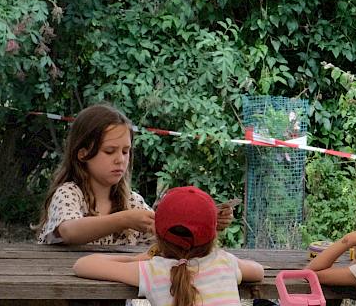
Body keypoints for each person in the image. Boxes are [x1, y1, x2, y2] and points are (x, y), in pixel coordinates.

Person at [34, 103, 233, 245]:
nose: (120, 159)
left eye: (125, 151)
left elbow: (167, 238)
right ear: (83, 154)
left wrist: (209, 223)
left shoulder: (132, 201)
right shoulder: (68, 193)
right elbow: (69, 231)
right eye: (109, 151)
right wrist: (124, 219)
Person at [73, 186, 264, 306]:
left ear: (159, 235)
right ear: (213, 235)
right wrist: (230, 259)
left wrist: (134, 259)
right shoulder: (224, 262)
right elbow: (258, 272)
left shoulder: (154, 270)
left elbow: (82, 265)